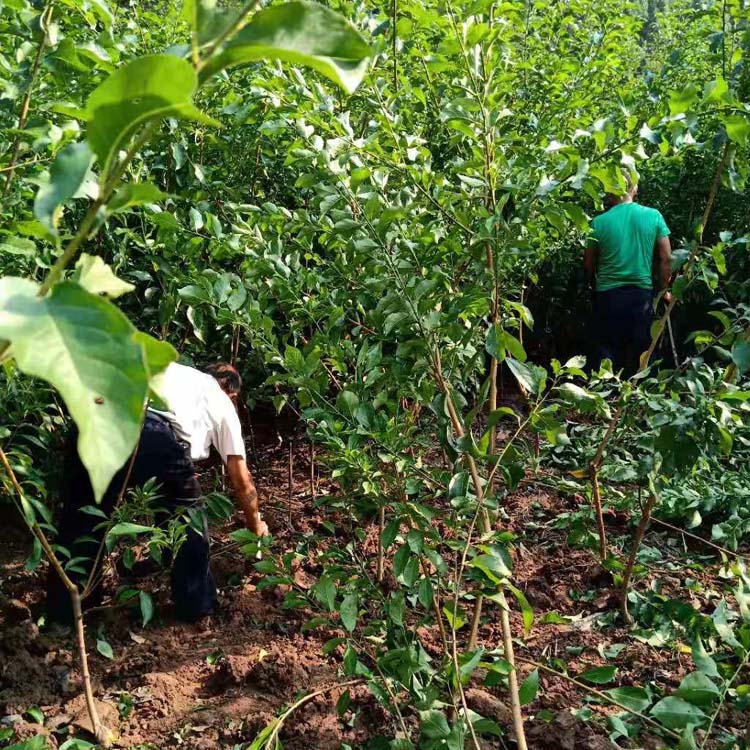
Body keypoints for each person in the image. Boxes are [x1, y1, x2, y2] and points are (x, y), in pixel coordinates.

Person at [46, 361, 267, 625]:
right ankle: (196, 607)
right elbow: (242, 480)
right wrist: (256, 528)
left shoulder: (172, 370)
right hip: (146, 431)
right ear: (231, 392)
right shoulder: (221, 400)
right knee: (189, 518)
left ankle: (66, 612)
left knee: (82, 517)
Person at [584, 173, 672, 374]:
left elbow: (589, 264)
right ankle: (637, 400)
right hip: (641, 296)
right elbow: (666, 258)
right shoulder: (654, 216)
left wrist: (592, 288)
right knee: (640, 352)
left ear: (610, 191)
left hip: (608, 296)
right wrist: (664, 290)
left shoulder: (598, 223)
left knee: (607, 354)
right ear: (635, 189)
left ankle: (605, 399)